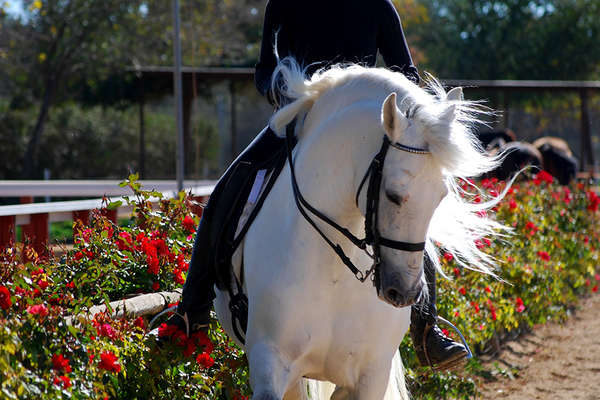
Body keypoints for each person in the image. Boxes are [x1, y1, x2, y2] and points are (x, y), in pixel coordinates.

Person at [164, 0, 468, 371]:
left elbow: (406, 75)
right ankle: (192, 312)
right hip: (300, 119)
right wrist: (286, 94)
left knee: (406, 206)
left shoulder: (378, 7)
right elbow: (264, 71)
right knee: (228, 187)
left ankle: (426, 330)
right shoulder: (284, 4)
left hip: (363, 133)